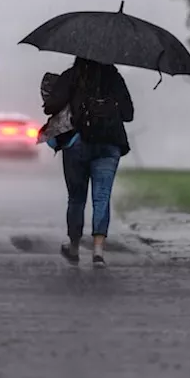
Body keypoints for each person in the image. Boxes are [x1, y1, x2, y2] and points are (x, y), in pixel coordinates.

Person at [42, 57, 134, 268]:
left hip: (77, 143)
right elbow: (128, 114)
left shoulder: (71, 76)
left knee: (76, 198)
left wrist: (55, 92)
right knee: (102, 197)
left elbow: (51, 108)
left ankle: (74, 247)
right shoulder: (114, 78)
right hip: (110, 144)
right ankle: (98, 252)